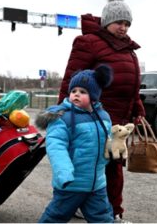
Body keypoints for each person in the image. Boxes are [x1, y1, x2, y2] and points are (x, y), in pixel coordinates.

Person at [58, 0, 146, 223]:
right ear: (107, 22)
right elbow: (71, 81)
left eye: (127, 24)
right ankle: (94, 208)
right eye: (119, 22)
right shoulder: (88, 43)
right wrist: (62, 113)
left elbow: (132, 87)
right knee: (95, 165)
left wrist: (138, 110)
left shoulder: (129, 51)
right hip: (93, 118)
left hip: (119, 121)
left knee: (113, 165)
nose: (124, 28)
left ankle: (111, 210)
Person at [36, 64, 114, 223]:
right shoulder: (61, 118)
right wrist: (63, 172)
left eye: (83, 92)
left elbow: (108, 142)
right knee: (55, 217)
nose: (76, 94)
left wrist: (114, 151)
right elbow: (56, 147)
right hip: (71, 183)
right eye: (74, 91)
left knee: (103, 218)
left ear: (94, 96)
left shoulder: (104, 116)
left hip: (97, 184)